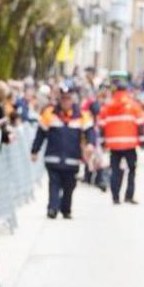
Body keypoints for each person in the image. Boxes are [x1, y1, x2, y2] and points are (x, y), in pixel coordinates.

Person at [31, 86, 94, 220]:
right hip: (53, 157)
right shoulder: (49, 113)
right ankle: (52, 208)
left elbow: (90, 132)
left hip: (72, 158)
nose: (66, 102)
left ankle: (66, 209)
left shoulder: (81, 115)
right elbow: (40, 134)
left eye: (68, 99)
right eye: (63, 99)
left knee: (69, 185)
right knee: (54, 183)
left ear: (73, 99)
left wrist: (90, 144)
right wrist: (34, 150)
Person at [96, 72, 144, 204]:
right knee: (132, 170)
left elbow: (101, 125)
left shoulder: (107, 106)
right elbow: (141, 124)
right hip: (129, 144)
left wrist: (102, 142)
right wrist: (142, 141)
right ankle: (129, 195)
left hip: (113, 145)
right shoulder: (134, 105)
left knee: (115, 171)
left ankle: (115, 196)